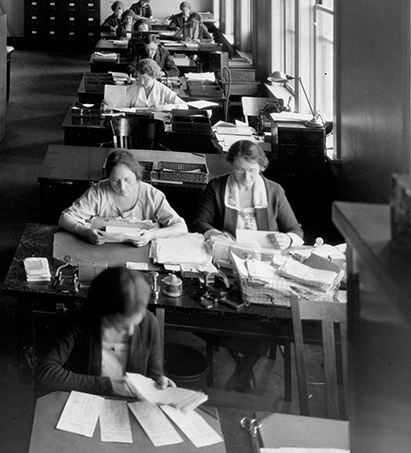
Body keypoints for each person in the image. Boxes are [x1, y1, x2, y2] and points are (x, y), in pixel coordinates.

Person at [192, 139, 304, 390]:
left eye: (252, 170)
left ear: (262, 167)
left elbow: (295, 229)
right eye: (240, 169)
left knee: (263, 312)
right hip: (226, 264)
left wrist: (286, 238)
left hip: (264, 266)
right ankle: (245, 364)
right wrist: (215, 234)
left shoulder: (274, 191)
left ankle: (242, 366)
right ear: (231, 165)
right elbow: (200, 222)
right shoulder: (217, 187)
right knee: (225, 306)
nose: (246, 176)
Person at [36, 266, 175, 396]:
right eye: (123, 325)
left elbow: (153, 375)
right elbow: (46, 373)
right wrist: (108, 386)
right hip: (85, 403)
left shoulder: (149, 323)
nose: (132, 331)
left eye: (136, 322)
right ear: (104, 315)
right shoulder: (78, 319)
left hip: (129, 406)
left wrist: (159, 381)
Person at [59, 149, 188, 246]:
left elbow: (181, 228)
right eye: (115, 181)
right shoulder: (99, 191)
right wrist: (85, 232)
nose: (122, 187)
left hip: (141, 252)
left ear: (137, 176)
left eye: (128, 180)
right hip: (103, 250)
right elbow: (65, 218)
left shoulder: (151, 194)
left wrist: (150, 235)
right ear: (108, 178)